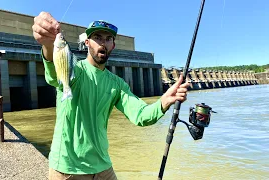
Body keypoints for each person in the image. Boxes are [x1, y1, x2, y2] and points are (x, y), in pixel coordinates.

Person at [32, 12, 190, 180]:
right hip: (68, 169)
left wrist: (164, 101)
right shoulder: (75, 70)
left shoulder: (117, 84)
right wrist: (47, 44)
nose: (103, 43)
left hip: (103, 167)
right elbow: (53, 69)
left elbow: (141, 115)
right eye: (98, 37)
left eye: (108, 39)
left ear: (113, 45)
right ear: (87, 43)